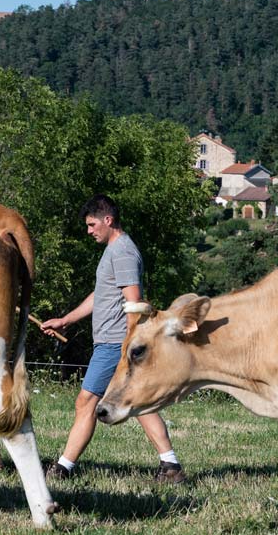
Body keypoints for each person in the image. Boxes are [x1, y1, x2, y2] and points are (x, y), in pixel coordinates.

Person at [39, 194, 185, 483]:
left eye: (92, 224)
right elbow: (102, 294)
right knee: (138, 403)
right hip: (111, 341)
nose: (89, 230)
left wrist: (127, 348)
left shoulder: (123, 253)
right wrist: (67, 319)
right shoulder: (113, 251)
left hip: (115, 343)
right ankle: (171, 467)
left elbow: (134, 302)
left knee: (86, 402)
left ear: (108, 220)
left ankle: (62, 468)